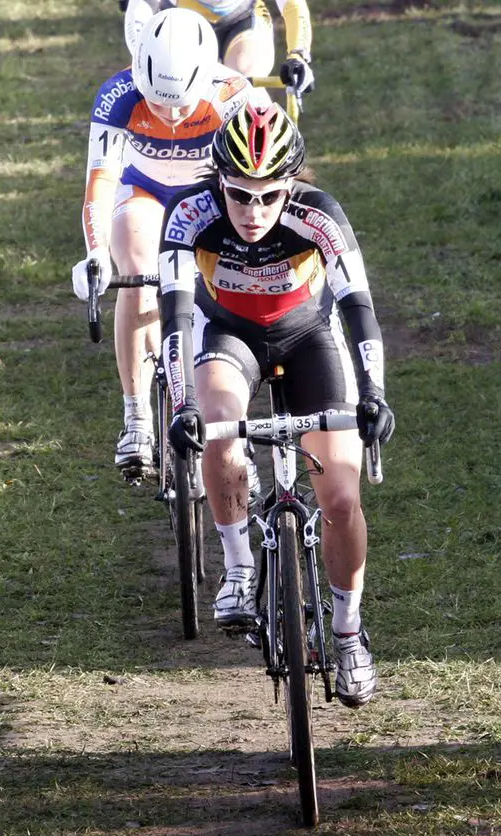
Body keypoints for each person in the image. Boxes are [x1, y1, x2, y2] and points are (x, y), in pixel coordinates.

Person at [158, 102, 395, 708]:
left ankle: (346, 635)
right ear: (218, 181)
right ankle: (239, 568)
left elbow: (358, 307)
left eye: (270, 197)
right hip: (229, 338)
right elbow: (178, 317)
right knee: (217, 426)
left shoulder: (321, 216)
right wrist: (182, 403)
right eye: (239, 195)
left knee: (340, 496)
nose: (254, 212)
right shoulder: (189, 215)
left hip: (309, 338)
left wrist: (374, 394)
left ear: (292, 186)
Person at [71, 8, 253, 478]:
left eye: (182, 106)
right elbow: (101, 179)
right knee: (134, 270)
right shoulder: (118, 93)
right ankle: (136, 415)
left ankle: (238, 429)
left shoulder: (232, 93)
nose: (171, 116)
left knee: (230, 281)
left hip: (208, 191)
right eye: (158, 103)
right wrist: (95, 252)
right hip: (144, 190)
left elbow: (256, 174)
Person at [121, 0, 314, 96]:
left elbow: (293, 5)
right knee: (176, 83)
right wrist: (143, 58)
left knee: (244, 78)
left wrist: (298, 55)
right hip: (183, 15)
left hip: (243, 14)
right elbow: (140, 7)